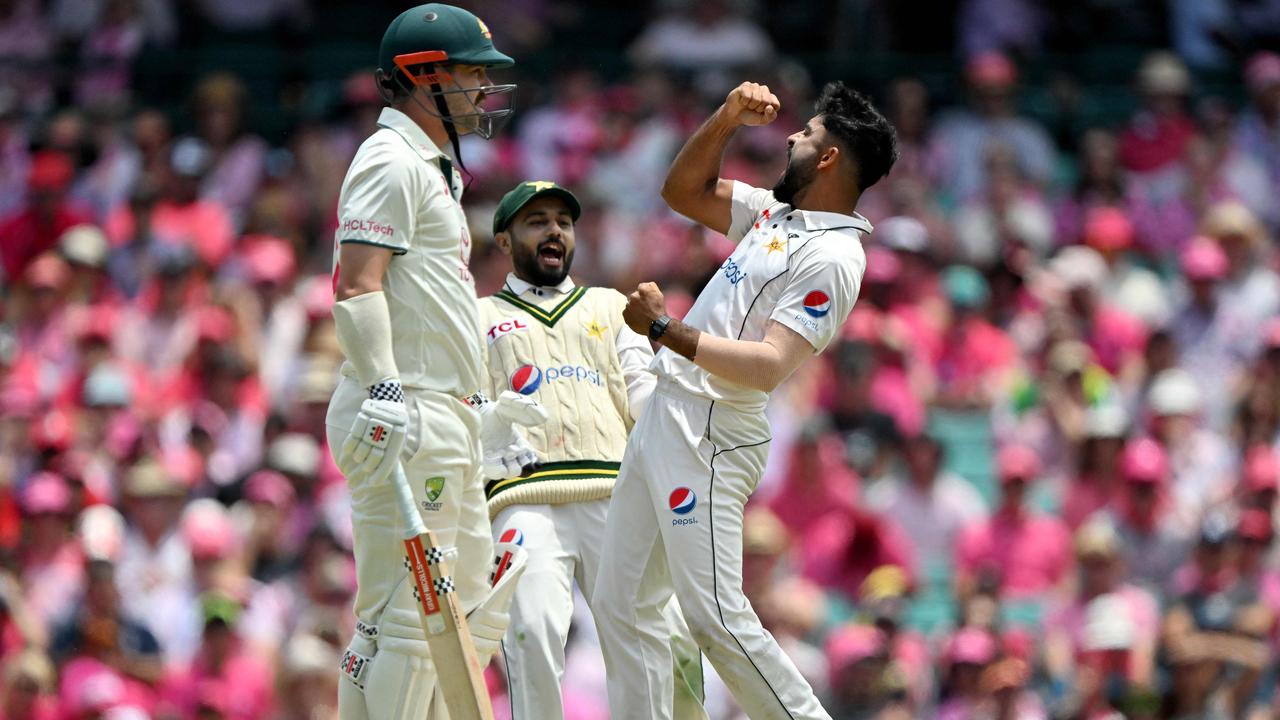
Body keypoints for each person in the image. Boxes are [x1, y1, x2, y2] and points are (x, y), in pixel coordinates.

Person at [593, 80, 898, 719]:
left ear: (830, 159)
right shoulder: (775, 211)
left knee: (714, 615)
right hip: (666, 411)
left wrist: (662, 329)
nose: (791, 135)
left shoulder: (835, 256)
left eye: (807, 133)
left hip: (712, 428)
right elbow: (683, 192)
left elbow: (768, 367)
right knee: (621, 603)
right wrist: (726, 118)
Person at [322, 5, 540, 719]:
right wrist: (385, 387)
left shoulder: (429, 167)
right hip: (404, 407)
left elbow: (426, 303)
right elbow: (356, 283)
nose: (485, 89)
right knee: (415, 622)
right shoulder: (389, 160)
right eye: (472, 73)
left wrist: (478, 402)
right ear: (423, 77)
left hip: (439, 410)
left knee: (472, 606)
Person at [477, 180, 706, 718]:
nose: (554, 230)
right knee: (532, 631)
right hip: (523, 496)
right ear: (505, 241)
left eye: (563, 220)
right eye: (537, 222)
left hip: (615, 492)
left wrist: (675, 417)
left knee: (648, 637)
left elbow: (640, 388)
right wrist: (487, 420)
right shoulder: (478, 316)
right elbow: (465, 404)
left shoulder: (607, 304)